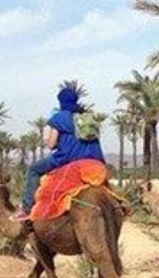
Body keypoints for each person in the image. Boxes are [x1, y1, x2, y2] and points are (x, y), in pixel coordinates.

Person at [15, 86, 104, 220]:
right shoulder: (87, 118)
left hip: (67, 159)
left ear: (61, 102)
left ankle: (27, 209)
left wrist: (56, 142)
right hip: (95, 160)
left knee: (33, 170)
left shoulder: (60, 117)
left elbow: (51, 144)